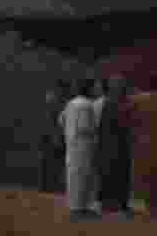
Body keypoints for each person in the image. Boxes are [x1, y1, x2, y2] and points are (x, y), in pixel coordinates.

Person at [59, 78, 99, 219]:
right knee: (82, 176)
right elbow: (84, 127)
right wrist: (95, 132)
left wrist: (68, 132)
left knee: (73, 175)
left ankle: (75, 207)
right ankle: (80, 209)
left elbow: (61, 120)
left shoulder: (70, 103)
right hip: (83, 145)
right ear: (88, 89)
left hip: (71, 144)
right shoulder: (87, 105)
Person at [96, 75, 133, 216]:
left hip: (119, 145)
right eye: (118, 85)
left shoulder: (121, 103)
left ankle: (120, 204)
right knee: (110, 173)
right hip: (111, 145)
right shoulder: (111, 103)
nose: (121, 88)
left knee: (121, 174)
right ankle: (109, 204)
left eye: (121, 85)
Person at [38, 79, 71, 194]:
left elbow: (55, 120)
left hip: (58, 138)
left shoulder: (61, 101)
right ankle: (47, 188)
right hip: (52, 138)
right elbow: (50, 119)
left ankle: (51, 188)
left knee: (56, 165)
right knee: (49, 165)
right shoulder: (54, 100)